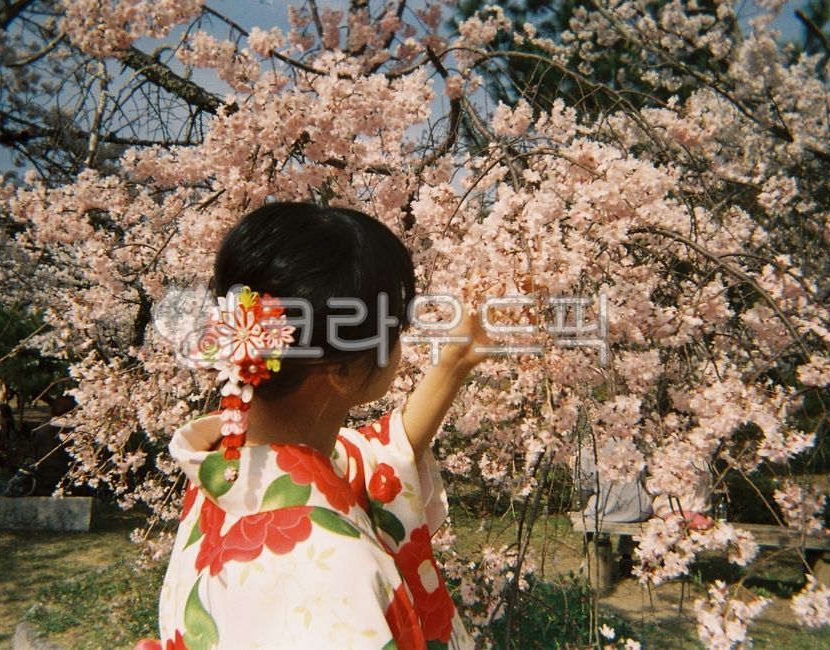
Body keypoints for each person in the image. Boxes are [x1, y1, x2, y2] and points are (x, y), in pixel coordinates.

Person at [142, 203, 489, 650]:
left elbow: (374, 465)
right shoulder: (334, 570)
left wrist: (455, 363)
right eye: (396, 328)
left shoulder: (226, 470)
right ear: (341, 370)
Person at [31, 395, 78, 496]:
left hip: (45, 481)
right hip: (74, 483)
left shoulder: (41, 430)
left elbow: (34, 455)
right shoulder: (81, 433)